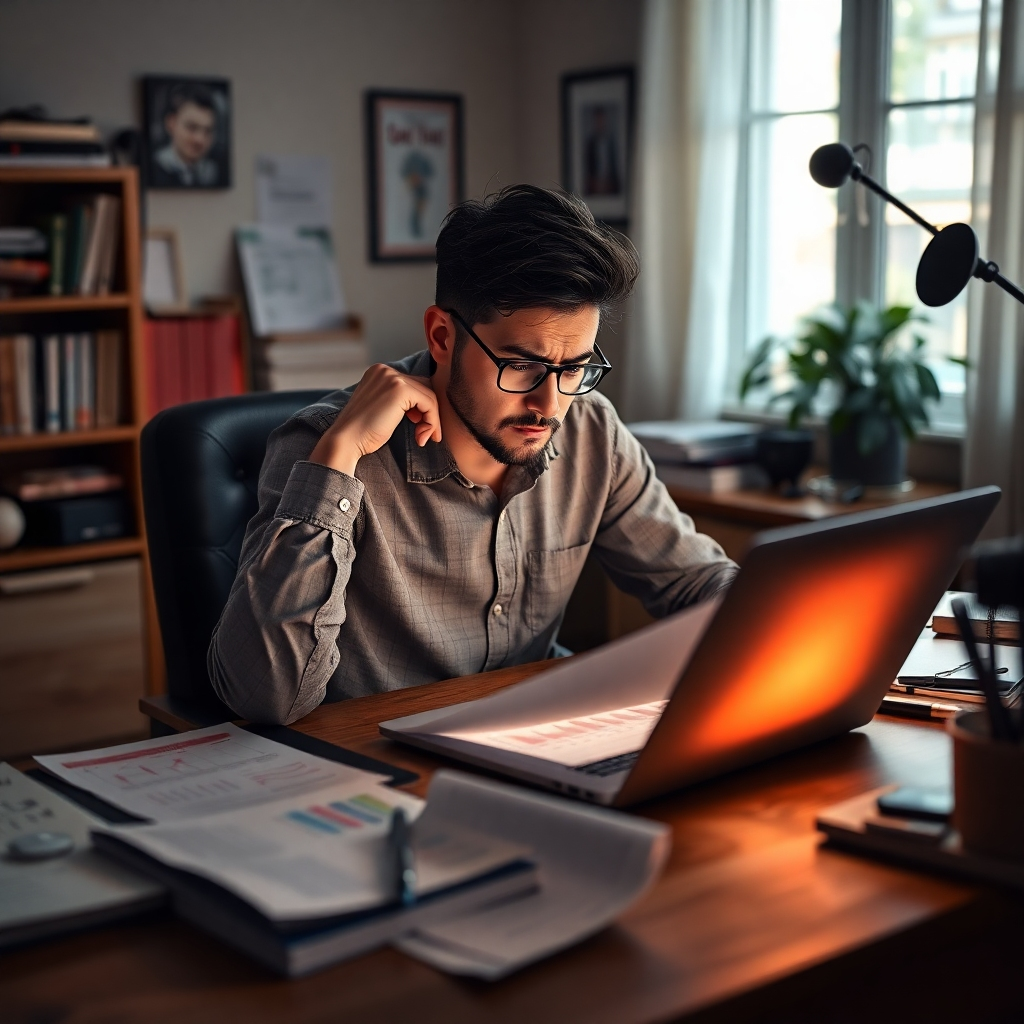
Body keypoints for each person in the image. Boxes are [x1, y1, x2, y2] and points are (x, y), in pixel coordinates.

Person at [209, 185, 736, 724]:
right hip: (372, 765)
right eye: (522, 365)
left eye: (574, 368)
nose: (549, 404)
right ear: (442, 336)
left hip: (530, 745)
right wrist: (339, 456)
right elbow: (265, 698)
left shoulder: (591, 429)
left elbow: (693, 581)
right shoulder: (324, 448)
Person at [151, 83, 220, 188]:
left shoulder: (212, 171)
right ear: (171, 123)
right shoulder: (156, 166)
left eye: (207, 130)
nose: (199, 139)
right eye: (192, 127)